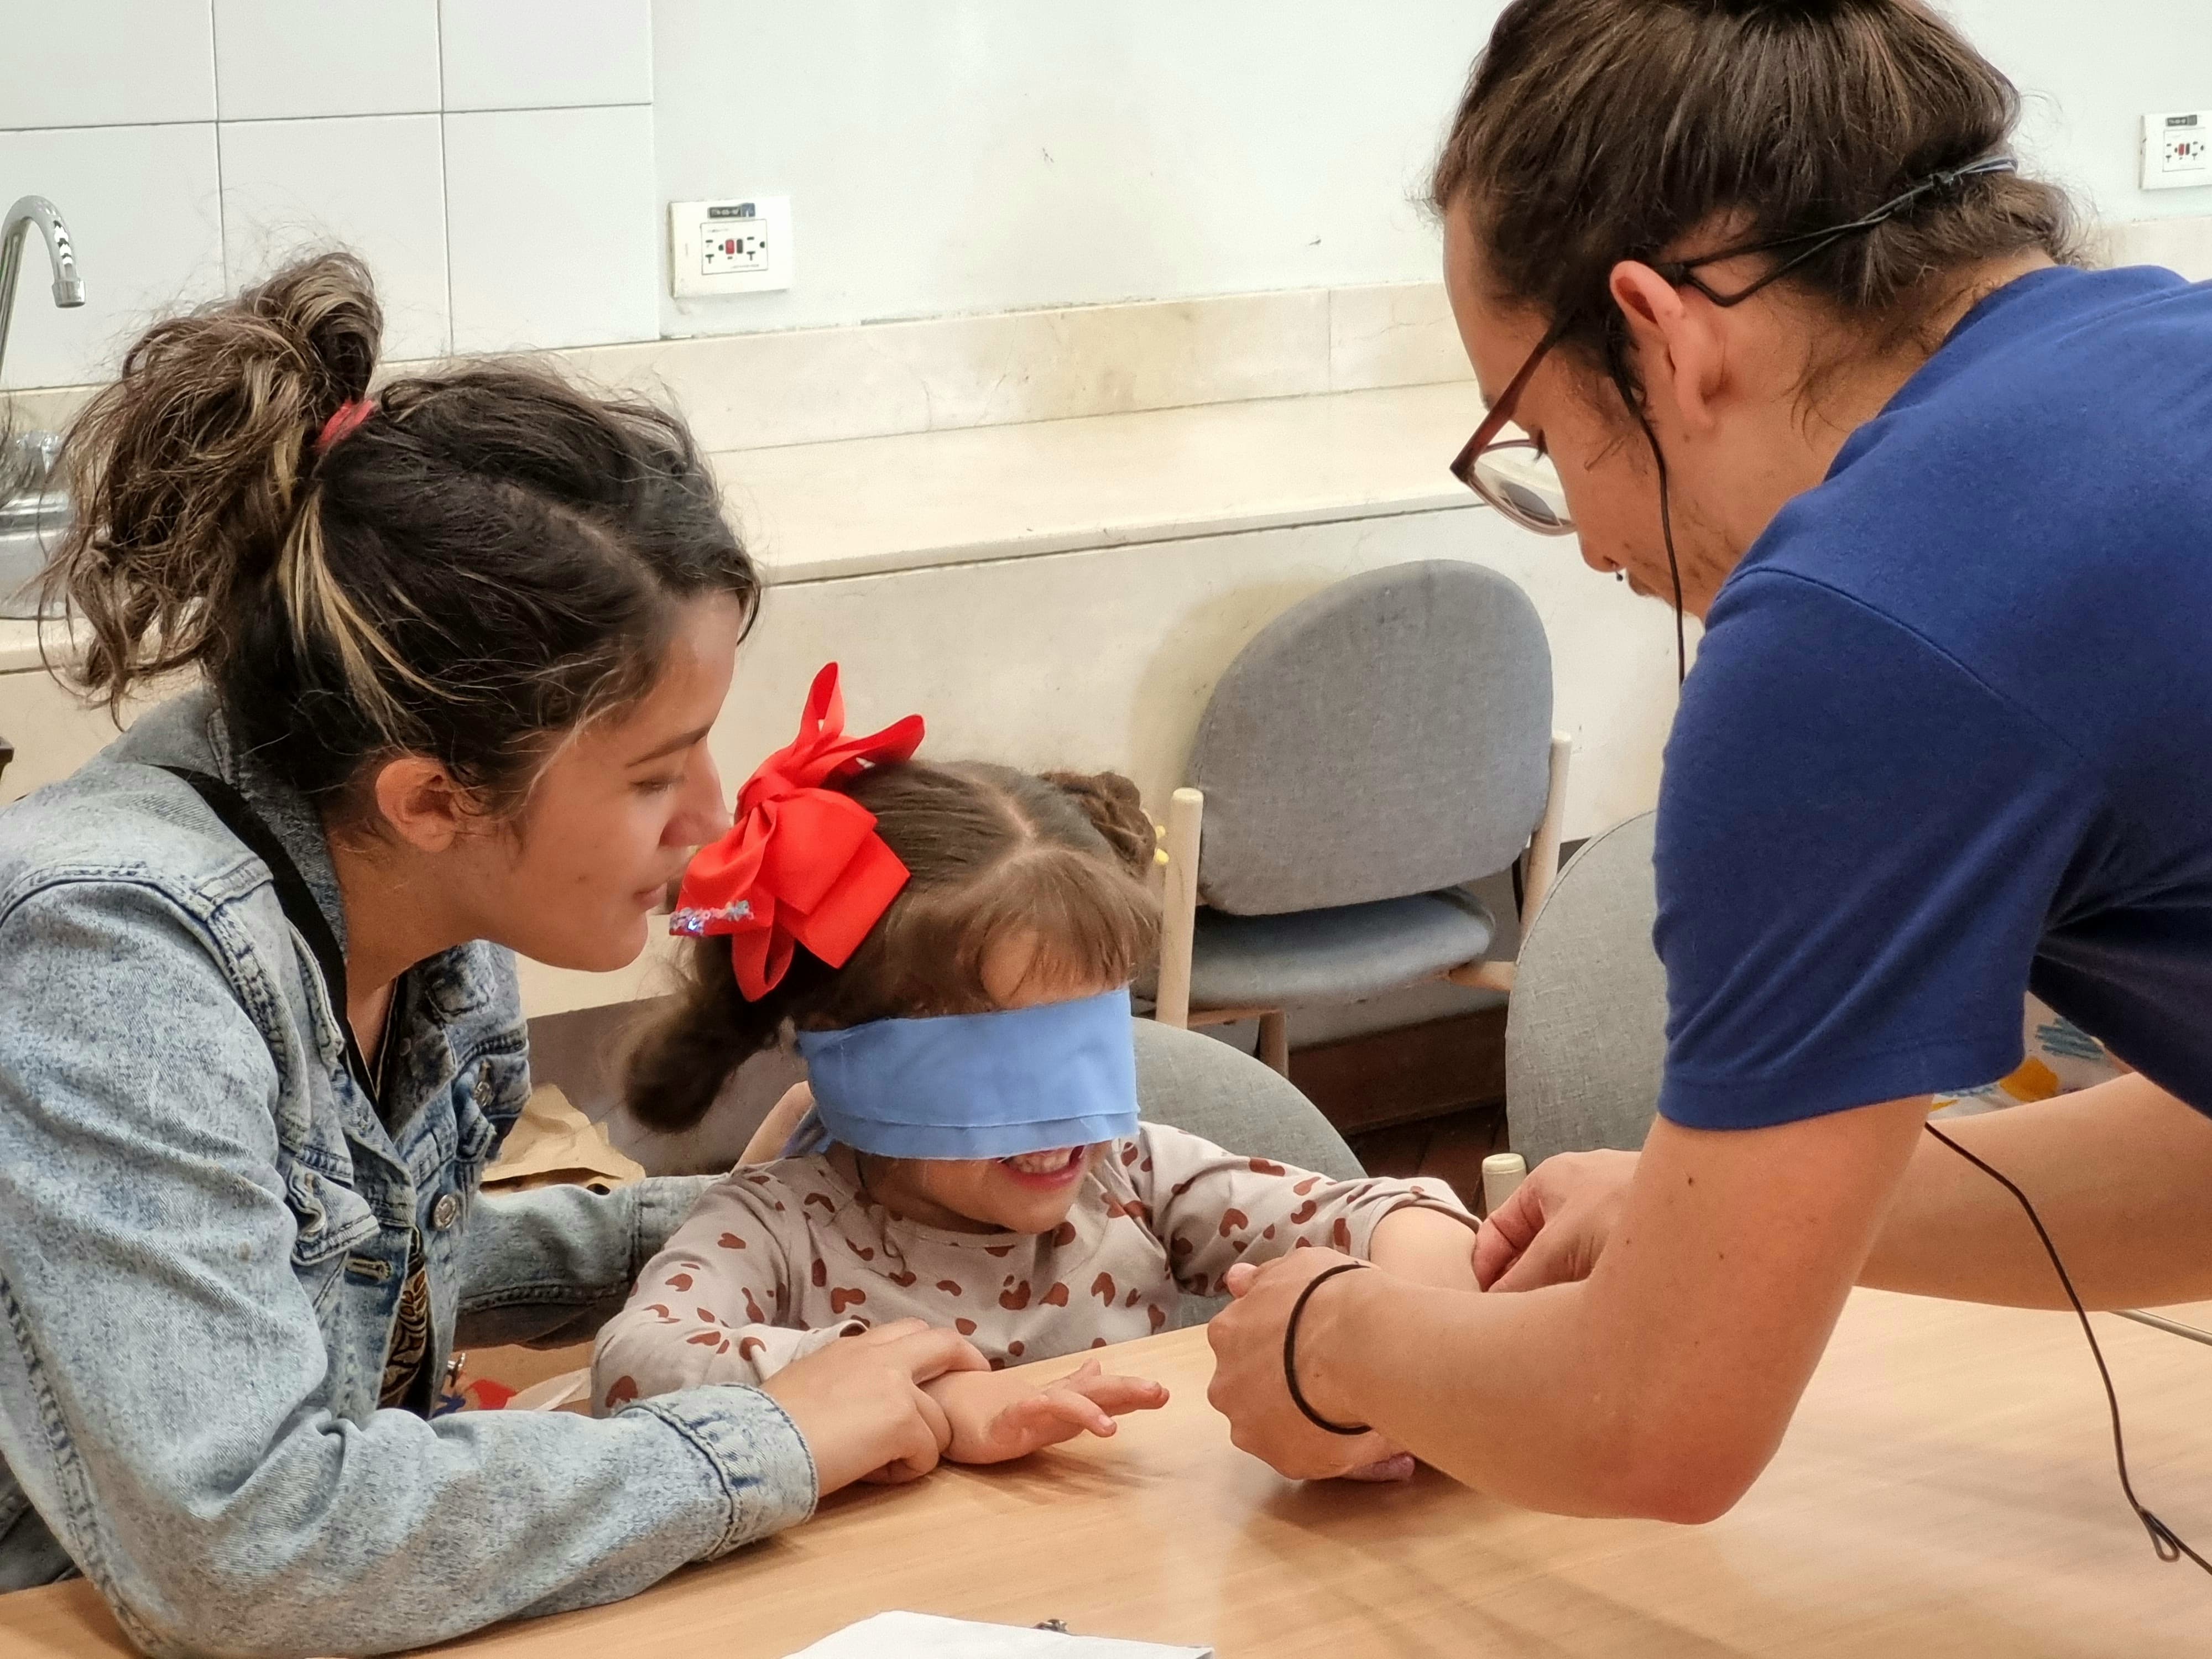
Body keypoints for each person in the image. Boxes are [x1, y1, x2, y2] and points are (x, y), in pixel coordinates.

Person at [1206, 0, 2212, 1530]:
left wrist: (1332, 1340)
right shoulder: (2159, 349)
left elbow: (1650, 1427)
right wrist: (1723, 1232)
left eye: (1538, 438)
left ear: (1659, 333)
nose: (1600, 545)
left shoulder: (1859, 624)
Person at [0, 254, 988, 1655]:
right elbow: (247, 1548)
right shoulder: (111, 959)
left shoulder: (409, 891)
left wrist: (776, 1217)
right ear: (435, 797)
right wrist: (762, 1439)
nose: (711, 816)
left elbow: (351, 1272)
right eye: (656, 775)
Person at [594, 668, 1480, 1471]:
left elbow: (1384, 1216)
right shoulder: (782, 1228)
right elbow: (635, 1364)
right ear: (846, 1049)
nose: (1068, 1122)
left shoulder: (1135, 1180)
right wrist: (935, 1395)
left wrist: (1428, 1321)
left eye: (1085, 1043)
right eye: (999, 1063)